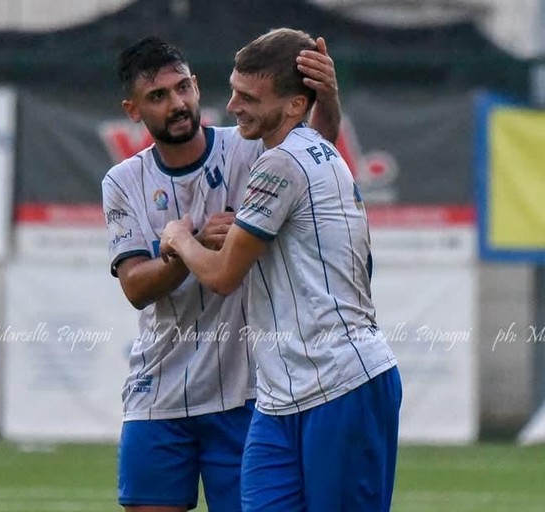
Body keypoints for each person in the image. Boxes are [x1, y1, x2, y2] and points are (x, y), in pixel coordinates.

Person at [159, 28, 402, 512]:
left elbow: (224, 277)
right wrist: (327, 95)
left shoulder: (282, 164)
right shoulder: (313, 148)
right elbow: (320, 132)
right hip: (281, 395)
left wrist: (180, 239)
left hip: (341, 384)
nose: (232, 106)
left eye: (248, 96)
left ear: (293, 106)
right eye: (232, 90)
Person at [101, 35, 340, 512]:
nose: (178, 103)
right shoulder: (123, 181)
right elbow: (134, 287)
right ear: (133, 110)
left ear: (196, 85)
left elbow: (319, 145)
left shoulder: (248, 148)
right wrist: (182, 251)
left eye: (183, 87)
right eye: (159, 96)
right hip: (158, 389)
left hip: (245, 391)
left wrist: (328, 96)